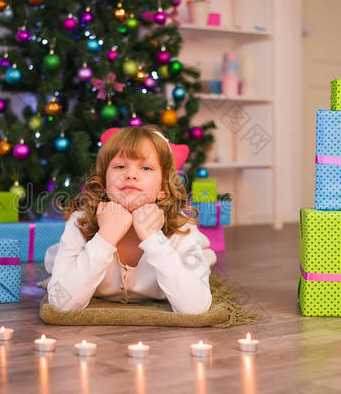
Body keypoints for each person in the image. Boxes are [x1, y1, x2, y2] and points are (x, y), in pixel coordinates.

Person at [44, 125, 216, 314]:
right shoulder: (81, 221)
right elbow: (61, 304)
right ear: (103, 182)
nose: (131, 175)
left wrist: (153, 238)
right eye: (119, 166)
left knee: (191, 274)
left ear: (163, 188)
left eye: (146, 167)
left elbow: (195, 307)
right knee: (66, 274)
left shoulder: (182, 228)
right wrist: (105, 237)